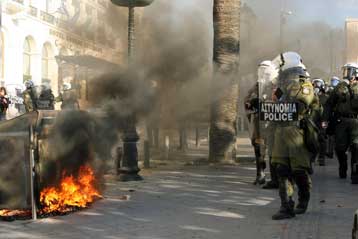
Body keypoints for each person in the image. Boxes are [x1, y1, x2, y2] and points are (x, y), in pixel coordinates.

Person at [270, 52, 320, 220]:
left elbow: (300, 106)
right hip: (281, 131)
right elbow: (273, 106)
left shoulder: (304, 84)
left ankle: (303, 200)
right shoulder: (280, 86)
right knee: (281, 169)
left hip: (296, 132)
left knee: (299, 170)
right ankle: (286, 206)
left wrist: (282, 100)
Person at [323, 63, 358, 184]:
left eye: (350, 71)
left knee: (356, 148)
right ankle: (343, 167)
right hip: (341, 121)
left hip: (356, 122)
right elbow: (329, 104)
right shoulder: (339, 86)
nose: (347, 74)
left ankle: (355, 174)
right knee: (339, 148)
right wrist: (325, 119)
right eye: (346, 71)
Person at [312, 78, 329, 166]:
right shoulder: (311, 96)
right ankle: (312, 157)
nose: (316, 86)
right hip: (313, 120)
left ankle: (321, 158)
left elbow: (328, 109)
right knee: (312, 138)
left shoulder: (326, 97)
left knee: (322, 138)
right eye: (315, 84)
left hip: (323, 120)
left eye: (318, 84)